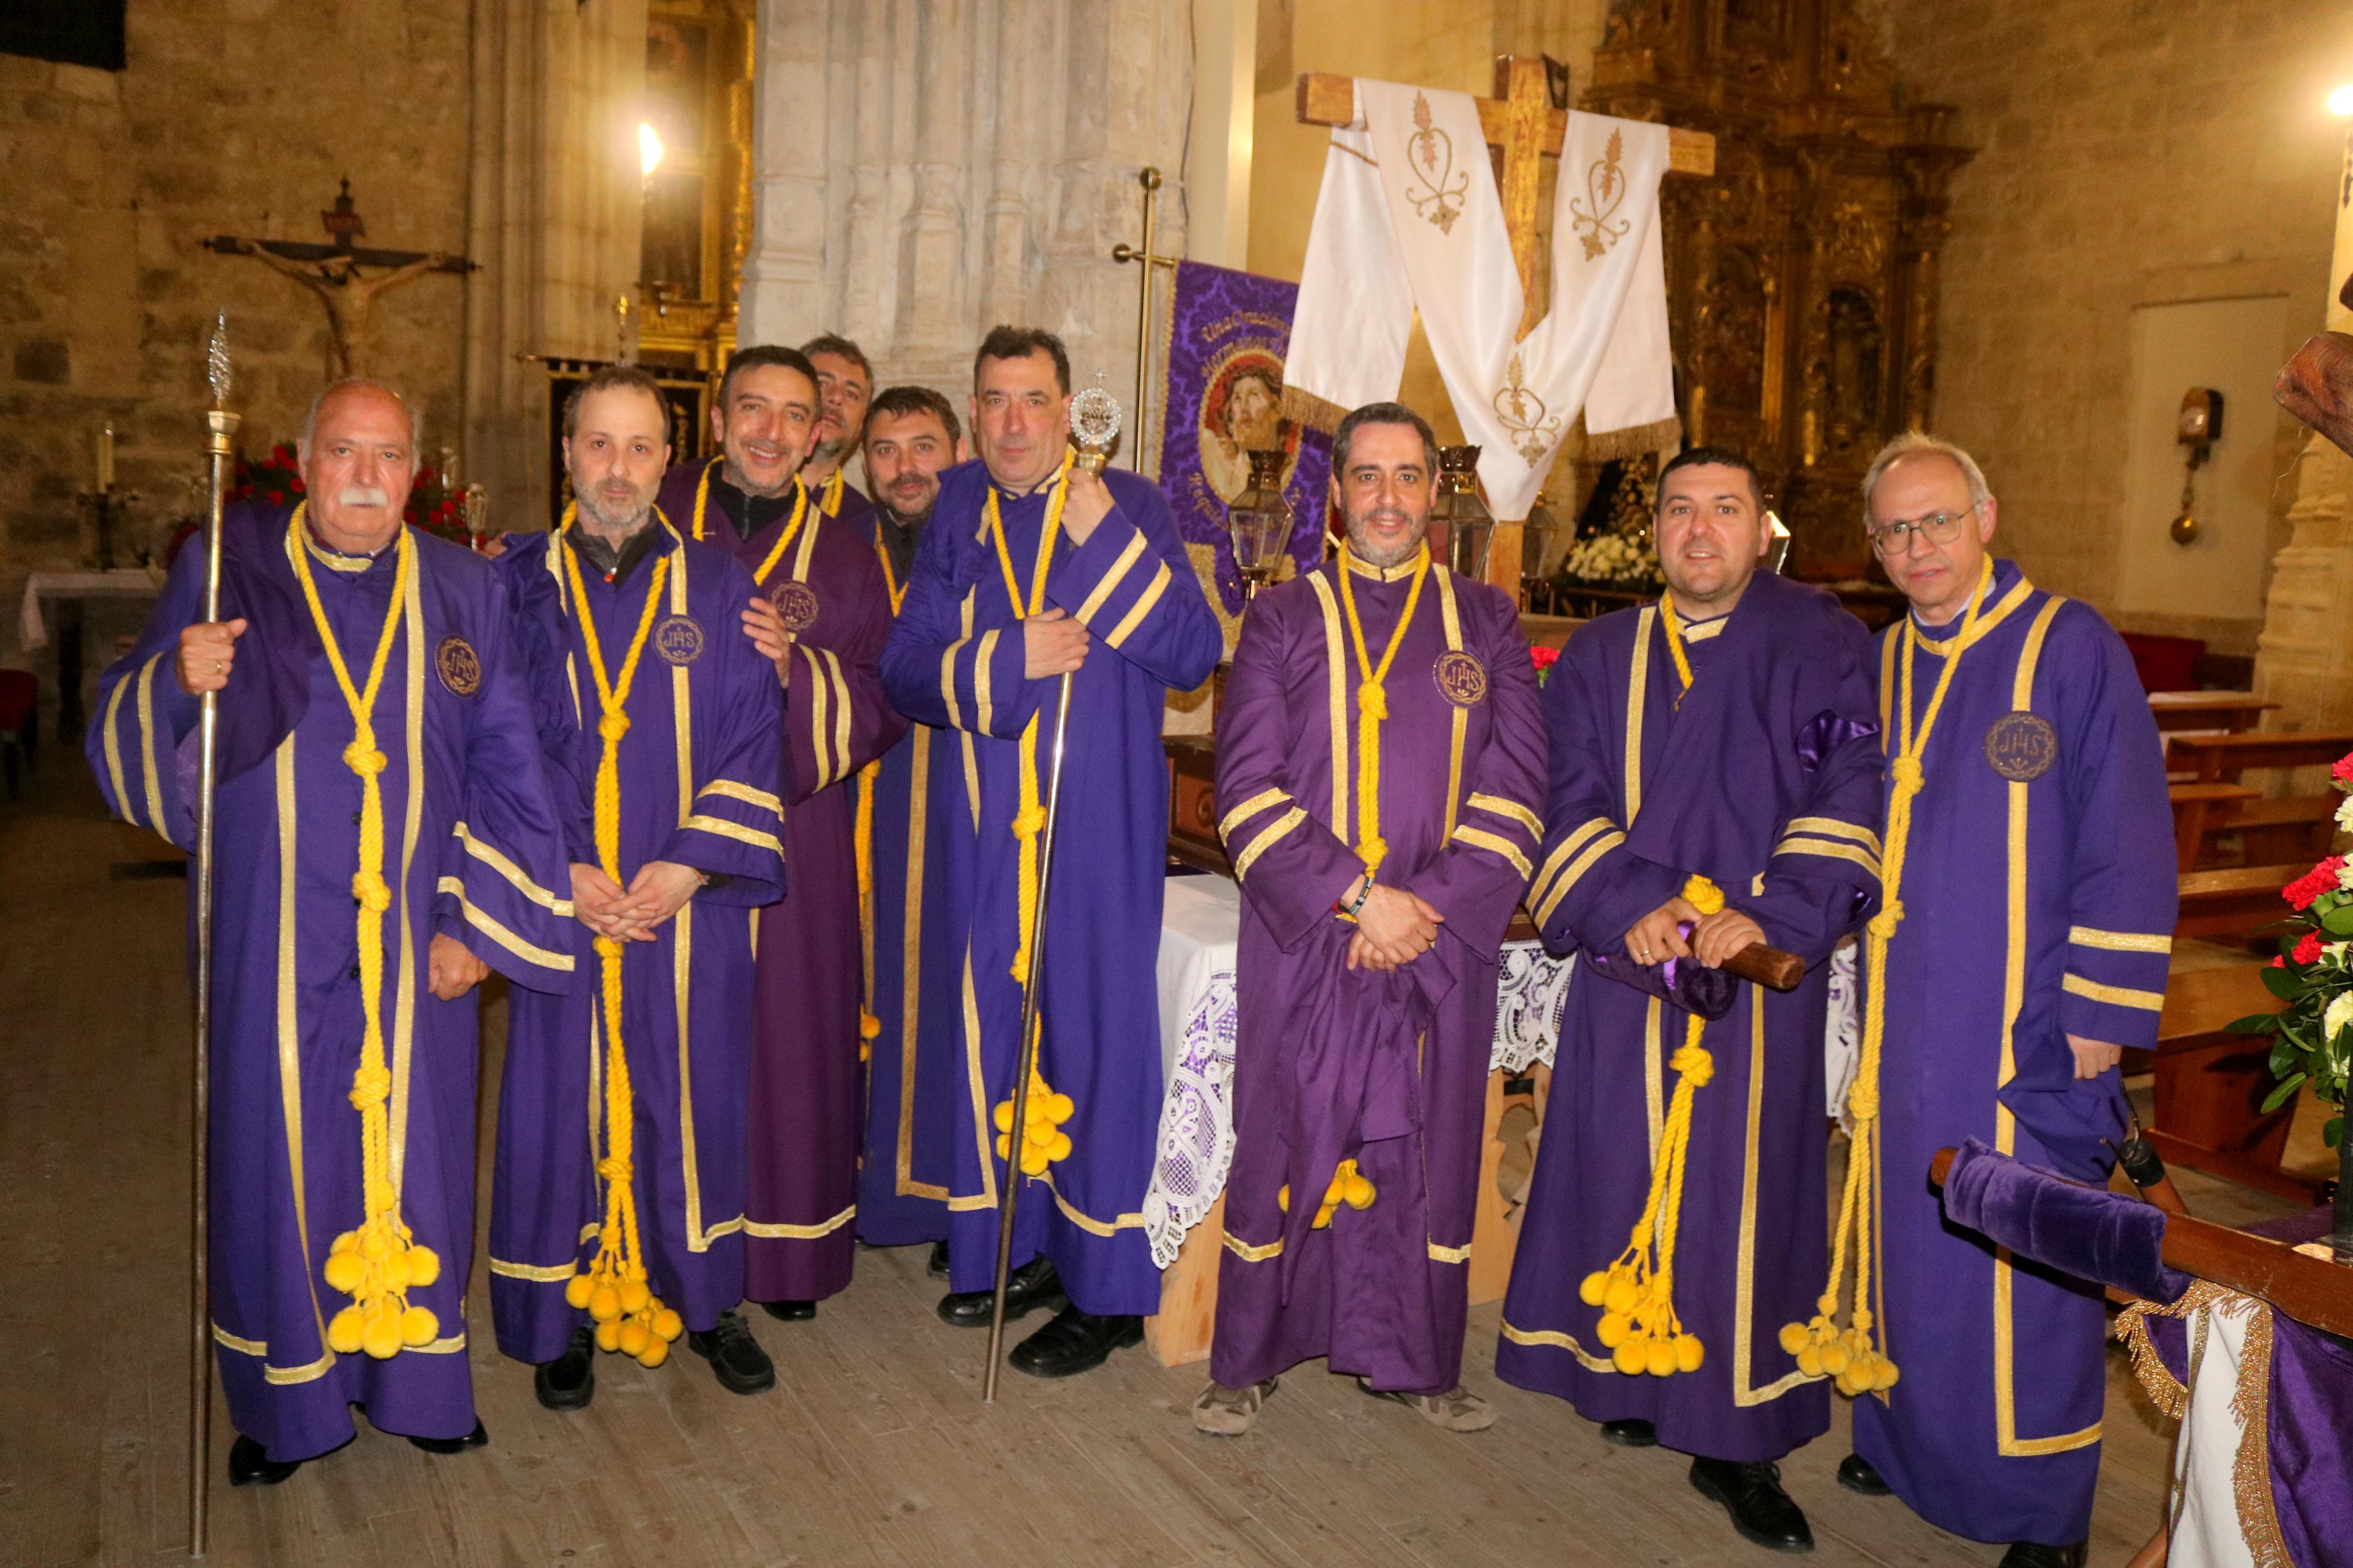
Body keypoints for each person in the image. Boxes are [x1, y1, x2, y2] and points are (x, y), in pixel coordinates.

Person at [89, 379, 575, 1484]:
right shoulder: (226, 573)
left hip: (419, 936)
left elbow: (509, 764)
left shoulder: (463, 588)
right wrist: (178, 679)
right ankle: (284, 1406)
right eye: (344, 451)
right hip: (271, 929)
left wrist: (477, 925)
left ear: (418, 473)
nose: (366, 474)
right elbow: (124, 723)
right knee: (275, 1153)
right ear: (303, 464)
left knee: (425, 1155)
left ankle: (420, 1388)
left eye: (389, 454)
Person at [1495, 445, 1883, 1552]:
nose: (1699, 530)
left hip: (1755, 971)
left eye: (1725, 509)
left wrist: (1770, 913)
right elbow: (1553, 795)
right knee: (1618, 1163)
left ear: (1763, 529)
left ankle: (1738, 1438)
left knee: (1741, 1195)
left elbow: (1851, 785)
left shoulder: (1817, 640)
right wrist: (1628, 904)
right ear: (1655, 530)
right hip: (1632, 963)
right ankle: (1630, 1370)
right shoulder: (1597, 655)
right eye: (1678, 511)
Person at [1838, 435, 2174, 1568]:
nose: (1914, 546)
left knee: (2021, 1258)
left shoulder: (2066, 647)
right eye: (1892, 530)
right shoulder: (1882, 661)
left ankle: (2040, 1506)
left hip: (2024, 1025)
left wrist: (2095, 1016)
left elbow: (2127, 834)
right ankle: (1900, 1444)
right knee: (1906, 1244)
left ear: (1985, 516)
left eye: (1934, 520)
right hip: (1904, 1019)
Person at [1194, 402, 1545, 1436]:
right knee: (1284, 1136)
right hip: (1310, 938)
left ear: (1432, 495)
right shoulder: (1280, 618)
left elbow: (1520, 786)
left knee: (1425, 1154)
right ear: (1336, 495)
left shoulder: (1485, 621)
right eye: (1367, 478)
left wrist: (1423, 911)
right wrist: (1359, 897)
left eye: (1406, 478)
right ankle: (1249, 1358)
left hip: (1436, 951)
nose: (1388, 498)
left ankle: (1421, 1362)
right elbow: (1244, 787)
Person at [879, 326, 1221, 1376]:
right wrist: (1007, 654)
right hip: (987, 836)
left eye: (1033, 400)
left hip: (1097, 831)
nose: (1013, 422)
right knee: (999, 1037)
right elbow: (905, 668)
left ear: (1068, 409)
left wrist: (1109, 543)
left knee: (1097, 1043)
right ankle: (1022, 1243)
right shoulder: (958, 517)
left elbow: (1193, 654)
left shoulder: (1135, 507)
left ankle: (1109, 1288)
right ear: (972, 415)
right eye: (993, 402)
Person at [487, 365, 786, 1407]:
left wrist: (689, 864)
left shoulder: (719, 585)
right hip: (559, 898)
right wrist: (556, 869)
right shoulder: (508, 584)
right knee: (558, 1100)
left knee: (693, 1095)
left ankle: (707, 1298)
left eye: (641, 447)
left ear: (671, 458)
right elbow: (486, 748)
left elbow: (756, 735)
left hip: (681, 907)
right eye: (599, 445)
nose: (619, 470)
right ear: (566, 454)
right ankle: (560, 1308)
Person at [653, 345, 904, 1322]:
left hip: (795, 835)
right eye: (750, 410)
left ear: (815, 437)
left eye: (792, 417)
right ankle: (655, 1243)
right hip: (655, 824)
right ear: (716, 422)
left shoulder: (847, 558)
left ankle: (783, 1251)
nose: (769, 432)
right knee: (660, 1040)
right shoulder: (655, 508)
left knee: (789, 1041)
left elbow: (880, 705)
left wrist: (796, 667)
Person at [849, 385, 973, 1274]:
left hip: (959, 804)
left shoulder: (986, 543)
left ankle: (946, 1189)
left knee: (945, 994)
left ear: (957, 450)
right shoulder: (846, 550)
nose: (905, 468)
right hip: (854, 801)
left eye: (922, 447)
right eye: (885, 450)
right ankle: (847, 1185)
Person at [800, 333, 875, 522]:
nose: (836, 398)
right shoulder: (729, 488)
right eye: (822, 383)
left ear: (862, 424)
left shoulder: (863, 521)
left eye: (851, 393)